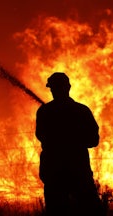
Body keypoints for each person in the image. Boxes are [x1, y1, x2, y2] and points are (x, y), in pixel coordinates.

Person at [35, 72, 103, 215]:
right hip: (77, 172)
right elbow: (93, 140)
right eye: (53, 88)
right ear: (69, 87)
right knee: (91, 211)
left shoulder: (45, 112)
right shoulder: (81, 111)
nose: (54, 91)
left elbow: (41, 136)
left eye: (54, 88)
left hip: (55, 174)